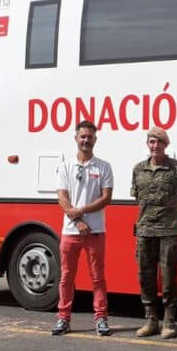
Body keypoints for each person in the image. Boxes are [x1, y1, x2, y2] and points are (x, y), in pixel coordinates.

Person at [131, 127, 177, 339]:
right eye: (151, 142)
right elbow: (137, 198)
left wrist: (175, 216)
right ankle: (151, 321)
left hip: (170, 231)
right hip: (145, 231)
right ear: (147, 144)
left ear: (165, 145)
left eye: (159, 142)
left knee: (169, 278)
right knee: (145, 277)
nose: (155, 146)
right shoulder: (138, 169)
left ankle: (169, 322)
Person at [52, 120, 114, 336]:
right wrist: (77, 220)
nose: (86, 140)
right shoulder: (66, 166)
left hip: (96, 232)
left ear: (95, 140)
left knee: (98, 277)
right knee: (66, 277)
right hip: (71, 232)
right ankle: (63, 318)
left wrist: (82, 211)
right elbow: (62, 197)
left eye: (90, 137)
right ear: (76, 138)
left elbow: (106, 198)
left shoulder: (103, 166)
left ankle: (101, 319)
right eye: (82, 136)